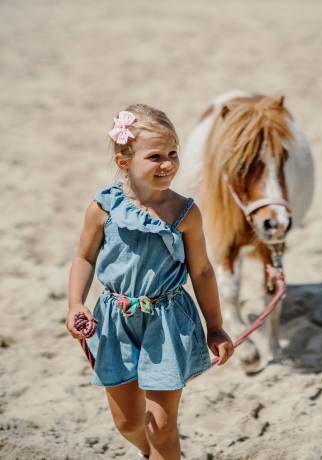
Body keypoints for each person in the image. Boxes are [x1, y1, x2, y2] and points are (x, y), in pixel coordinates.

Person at [66, 104, 234, 460]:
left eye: (173, 153)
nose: (168, 164)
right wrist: (76, 304)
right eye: (155, 156)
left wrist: (215, 326)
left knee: (161, 424)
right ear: (124, 161)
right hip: (114, 321)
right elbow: (84, 257)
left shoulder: (185, 213)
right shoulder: (104, 207)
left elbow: (201, 271)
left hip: (167, 320)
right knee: (128, 423)